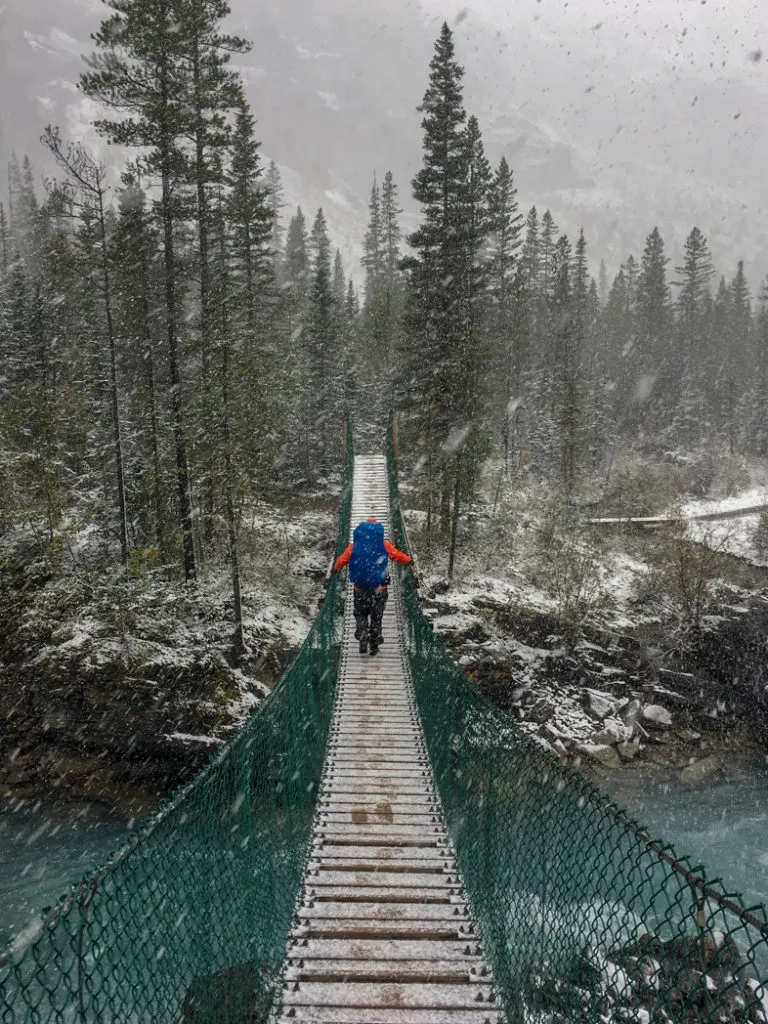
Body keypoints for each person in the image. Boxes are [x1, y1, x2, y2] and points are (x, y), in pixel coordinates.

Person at [334, 518, 412, 655]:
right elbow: (397, 556)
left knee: (361, 614)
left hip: (360, 589)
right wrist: (409, 561)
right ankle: (374, 644)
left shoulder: (354, 546)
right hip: (379, 589)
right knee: (377, 617)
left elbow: (341, 560)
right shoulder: (384, 544)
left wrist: (336, 569)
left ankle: (362, 635)